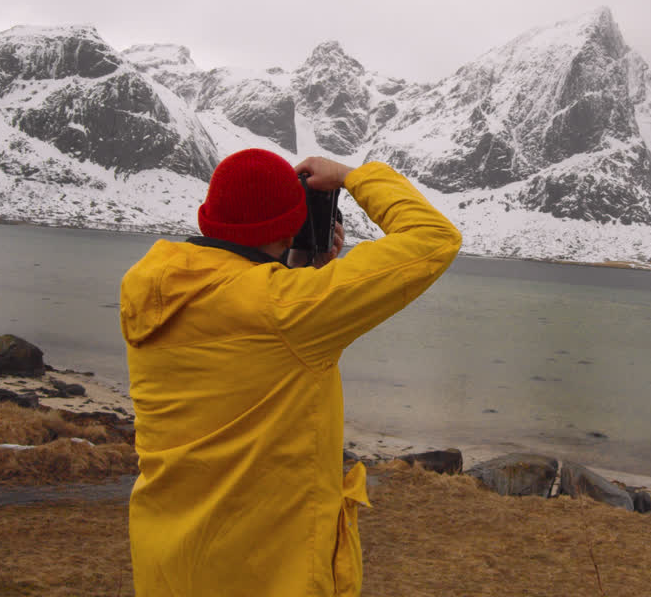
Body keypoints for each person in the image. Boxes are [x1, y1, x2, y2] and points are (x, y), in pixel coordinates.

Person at [119, 149, 461, 596]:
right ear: (290, 227)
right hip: (266, 573)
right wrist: (352, 176)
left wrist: (301, 275)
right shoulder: (286, 310)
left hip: (169, 565)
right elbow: (434, 237)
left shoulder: (153, 288)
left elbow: (253, 345)